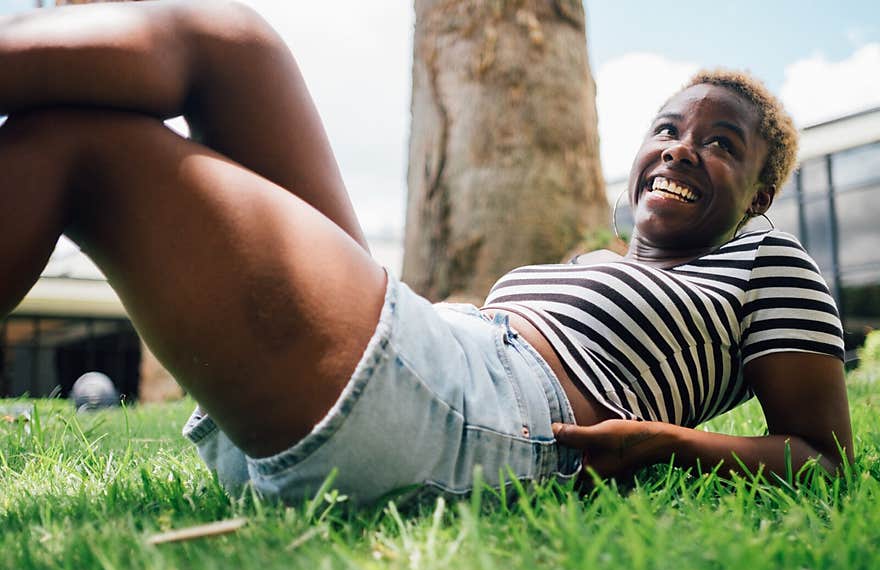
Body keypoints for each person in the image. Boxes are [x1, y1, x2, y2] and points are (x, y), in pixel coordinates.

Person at [0, 1, 852, 506]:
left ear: (762, 194)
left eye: (720, 144)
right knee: (214, 60)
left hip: (493, 414)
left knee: (107, 135)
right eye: (666, 128)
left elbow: (824, 455)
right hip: (436, 364)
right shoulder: (587, 263)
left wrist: (664, 445)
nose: (678, 148)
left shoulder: (766, 263)